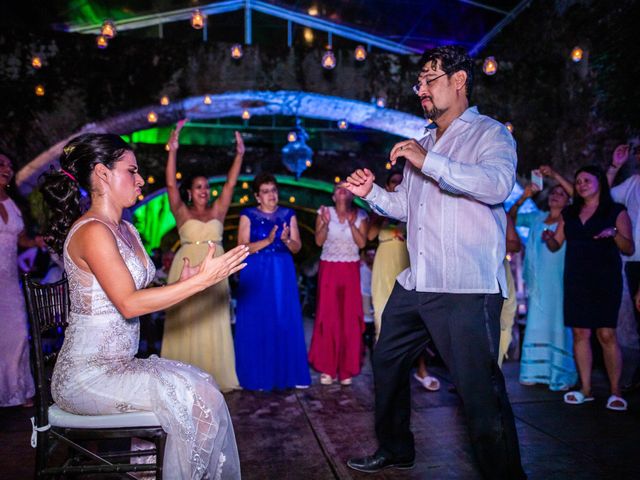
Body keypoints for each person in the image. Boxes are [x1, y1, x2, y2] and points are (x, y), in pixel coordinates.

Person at [344, 45, 526, 478]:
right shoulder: (421, 144)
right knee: (386, 359)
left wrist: (432, 161)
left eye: (429, 79)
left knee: (480, 392)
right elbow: (407, 207)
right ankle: (396, 448)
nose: (421, 90)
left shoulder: (490, 134)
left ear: (459, 80)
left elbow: (498, 185)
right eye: (419, 83)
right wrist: (371, 193)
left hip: (465, 286)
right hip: (418, 282)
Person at [40, 133, 248, 479]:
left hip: (121, 366)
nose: (140, 180)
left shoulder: (126, 229)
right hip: (86, 376)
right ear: (103, 174)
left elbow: (137, 291)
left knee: (208, 390)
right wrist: (200, 282)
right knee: (195, 399)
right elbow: (129, 303)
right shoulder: (93, 231)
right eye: (132, 171)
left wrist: (183, 282)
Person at [544, 165, 634, 411]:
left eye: (587, 180)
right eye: (579, 180)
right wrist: (549, 238)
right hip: (576, 278)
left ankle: (615, 391)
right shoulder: (570, 212)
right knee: (580, 333)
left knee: (606, 334)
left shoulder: (615, 211)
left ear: (600, 182)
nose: (582, 184)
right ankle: (585, 388)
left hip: (605, 278)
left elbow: (628, 248)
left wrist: (614, 233)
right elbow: (556, 245)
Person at [161, 123, 243, 392]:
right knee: (187, 318)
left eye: (207, 187)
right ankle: (182, 378)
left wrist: (239, 154)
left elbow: (231, 183)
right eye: (198, 187)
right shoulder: (181, 211)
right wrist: (172, 149)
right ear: (190, 192)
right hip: (186, 266)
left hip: (215, 268)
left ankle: (215, 375)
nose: (204, 191)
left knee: (212, 318)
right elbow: (170, 183)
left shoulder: (218, 211)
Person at [234, 173, 311, 390]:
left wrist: (286, 240)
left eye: (274, 190)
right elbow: (242, 246)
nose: (272, 195)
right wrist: (267, 241)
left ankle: (289, 374)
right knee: (258, 320)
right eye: (266, 191)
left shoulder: (289, 214)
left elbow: (297, 247)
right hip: (257, 271)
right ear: (257, 196)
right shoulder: (247, 214)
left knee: (283, 318)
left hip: (282, 272)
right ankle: (257, 376)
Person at [368, 171, 439, 391]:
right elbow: (369, 236)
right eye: (394, 183)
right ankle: (384, 375)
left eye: (402, 182)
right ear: (387, 186)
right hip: (383, 269)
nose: (398, 185)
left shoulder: (415, 208)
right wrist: (383, 211)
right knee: (381, 321)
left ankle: (421, 370)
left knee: (414, 323)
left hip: (407, 265)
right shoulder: (379, 211)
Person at [509, 179, 577, 390]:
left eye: (561, 194)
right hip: (538, 282)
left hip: (559, 280)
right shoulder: (537, 218)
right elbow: (509, 218)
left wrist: (554, 174)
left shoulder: (570, 220)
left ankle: (559, 373)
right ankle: (533, 371)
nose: (555, 195)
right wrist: (524, 196)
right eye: (553, 192)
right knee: (536, 321)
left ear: (569, 200)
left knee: (558, 321)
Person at [308, 184, 368, 386]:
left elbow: (362, 244)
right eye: (338, 188)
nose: (342, 190)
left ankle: (346, 369)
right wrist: (325, 224)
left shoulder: (360, 214)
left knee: (350, 319)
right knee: (328, 317)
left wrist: (351, 225)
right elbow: (318, 241)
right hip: (329, 269)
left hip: (350, 270)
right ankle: (327, 368)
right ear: (333, 196)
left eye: (346, 188)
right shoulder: (324, 212)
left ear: (352, 194)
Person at [0, 151, 42, 408]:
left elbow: (20, 239)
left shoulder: (13, 203)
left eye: (9, 164)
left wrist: (36, 241)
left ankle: (16, 390)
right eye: (1, 164)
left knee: (17, 332)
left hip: (8, 280)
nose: (7, 167)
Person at [607, 143, 640, 391]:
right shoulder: (632, 184)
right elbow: (601, 197)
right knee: (630, 324)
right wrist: (615, 167)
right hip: (631, 263)